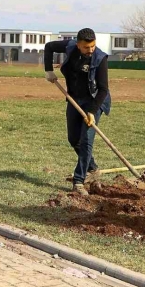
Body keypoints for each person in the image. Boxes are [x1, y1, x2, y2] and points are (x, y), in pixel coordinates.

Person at [44, 28, 110, 196]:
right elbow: (49, 46)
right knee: (73, 139)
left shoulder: (100, 58)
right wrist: (48, 70)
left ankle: (79, 181)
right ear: (78, 44)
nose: (91, 50)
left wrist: (92, 112)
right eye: (87, 47)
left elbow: (103, 89)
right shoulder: (70, 46)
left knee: (86, 140)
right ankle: (92, 168)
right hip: (74, 99)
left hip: (93, 101)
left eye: (93, 46)